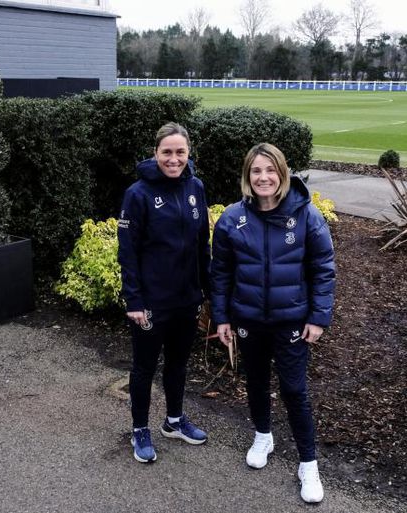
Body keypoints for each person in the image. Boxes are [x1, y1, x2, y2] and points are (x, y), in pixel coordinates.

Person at [210, 143, 335, 503]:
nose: (263, 177)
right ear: (247, 176)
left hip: (290, 321)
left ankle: (308, 464)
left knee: (295, 390)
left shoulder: (306, 215)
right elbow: (220, 273)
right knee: (256, 382)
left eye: (270, 170)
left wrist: (318, 317)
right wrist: (222, 317)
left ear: (282, 173)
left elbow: (323, 269)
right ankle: (263, 436)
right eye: (256, 171)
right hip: (249, 319)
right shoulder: (233, 218)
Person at [117, 122, 210, 463]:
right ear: (155, 153)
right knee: (144, 368)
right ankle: (140, 429)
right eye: (167, 152)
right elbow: (127, 252)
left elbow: (203, 244)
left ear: (189, 153)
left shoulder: (196, 187)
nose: (174, 159)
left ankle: (174, 421)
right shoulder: (138, 194)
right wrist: (134, 299)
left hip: (186, 298)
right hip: (152, 302)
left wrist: (208, 291)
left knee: (178, 364)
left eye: (180, 152)